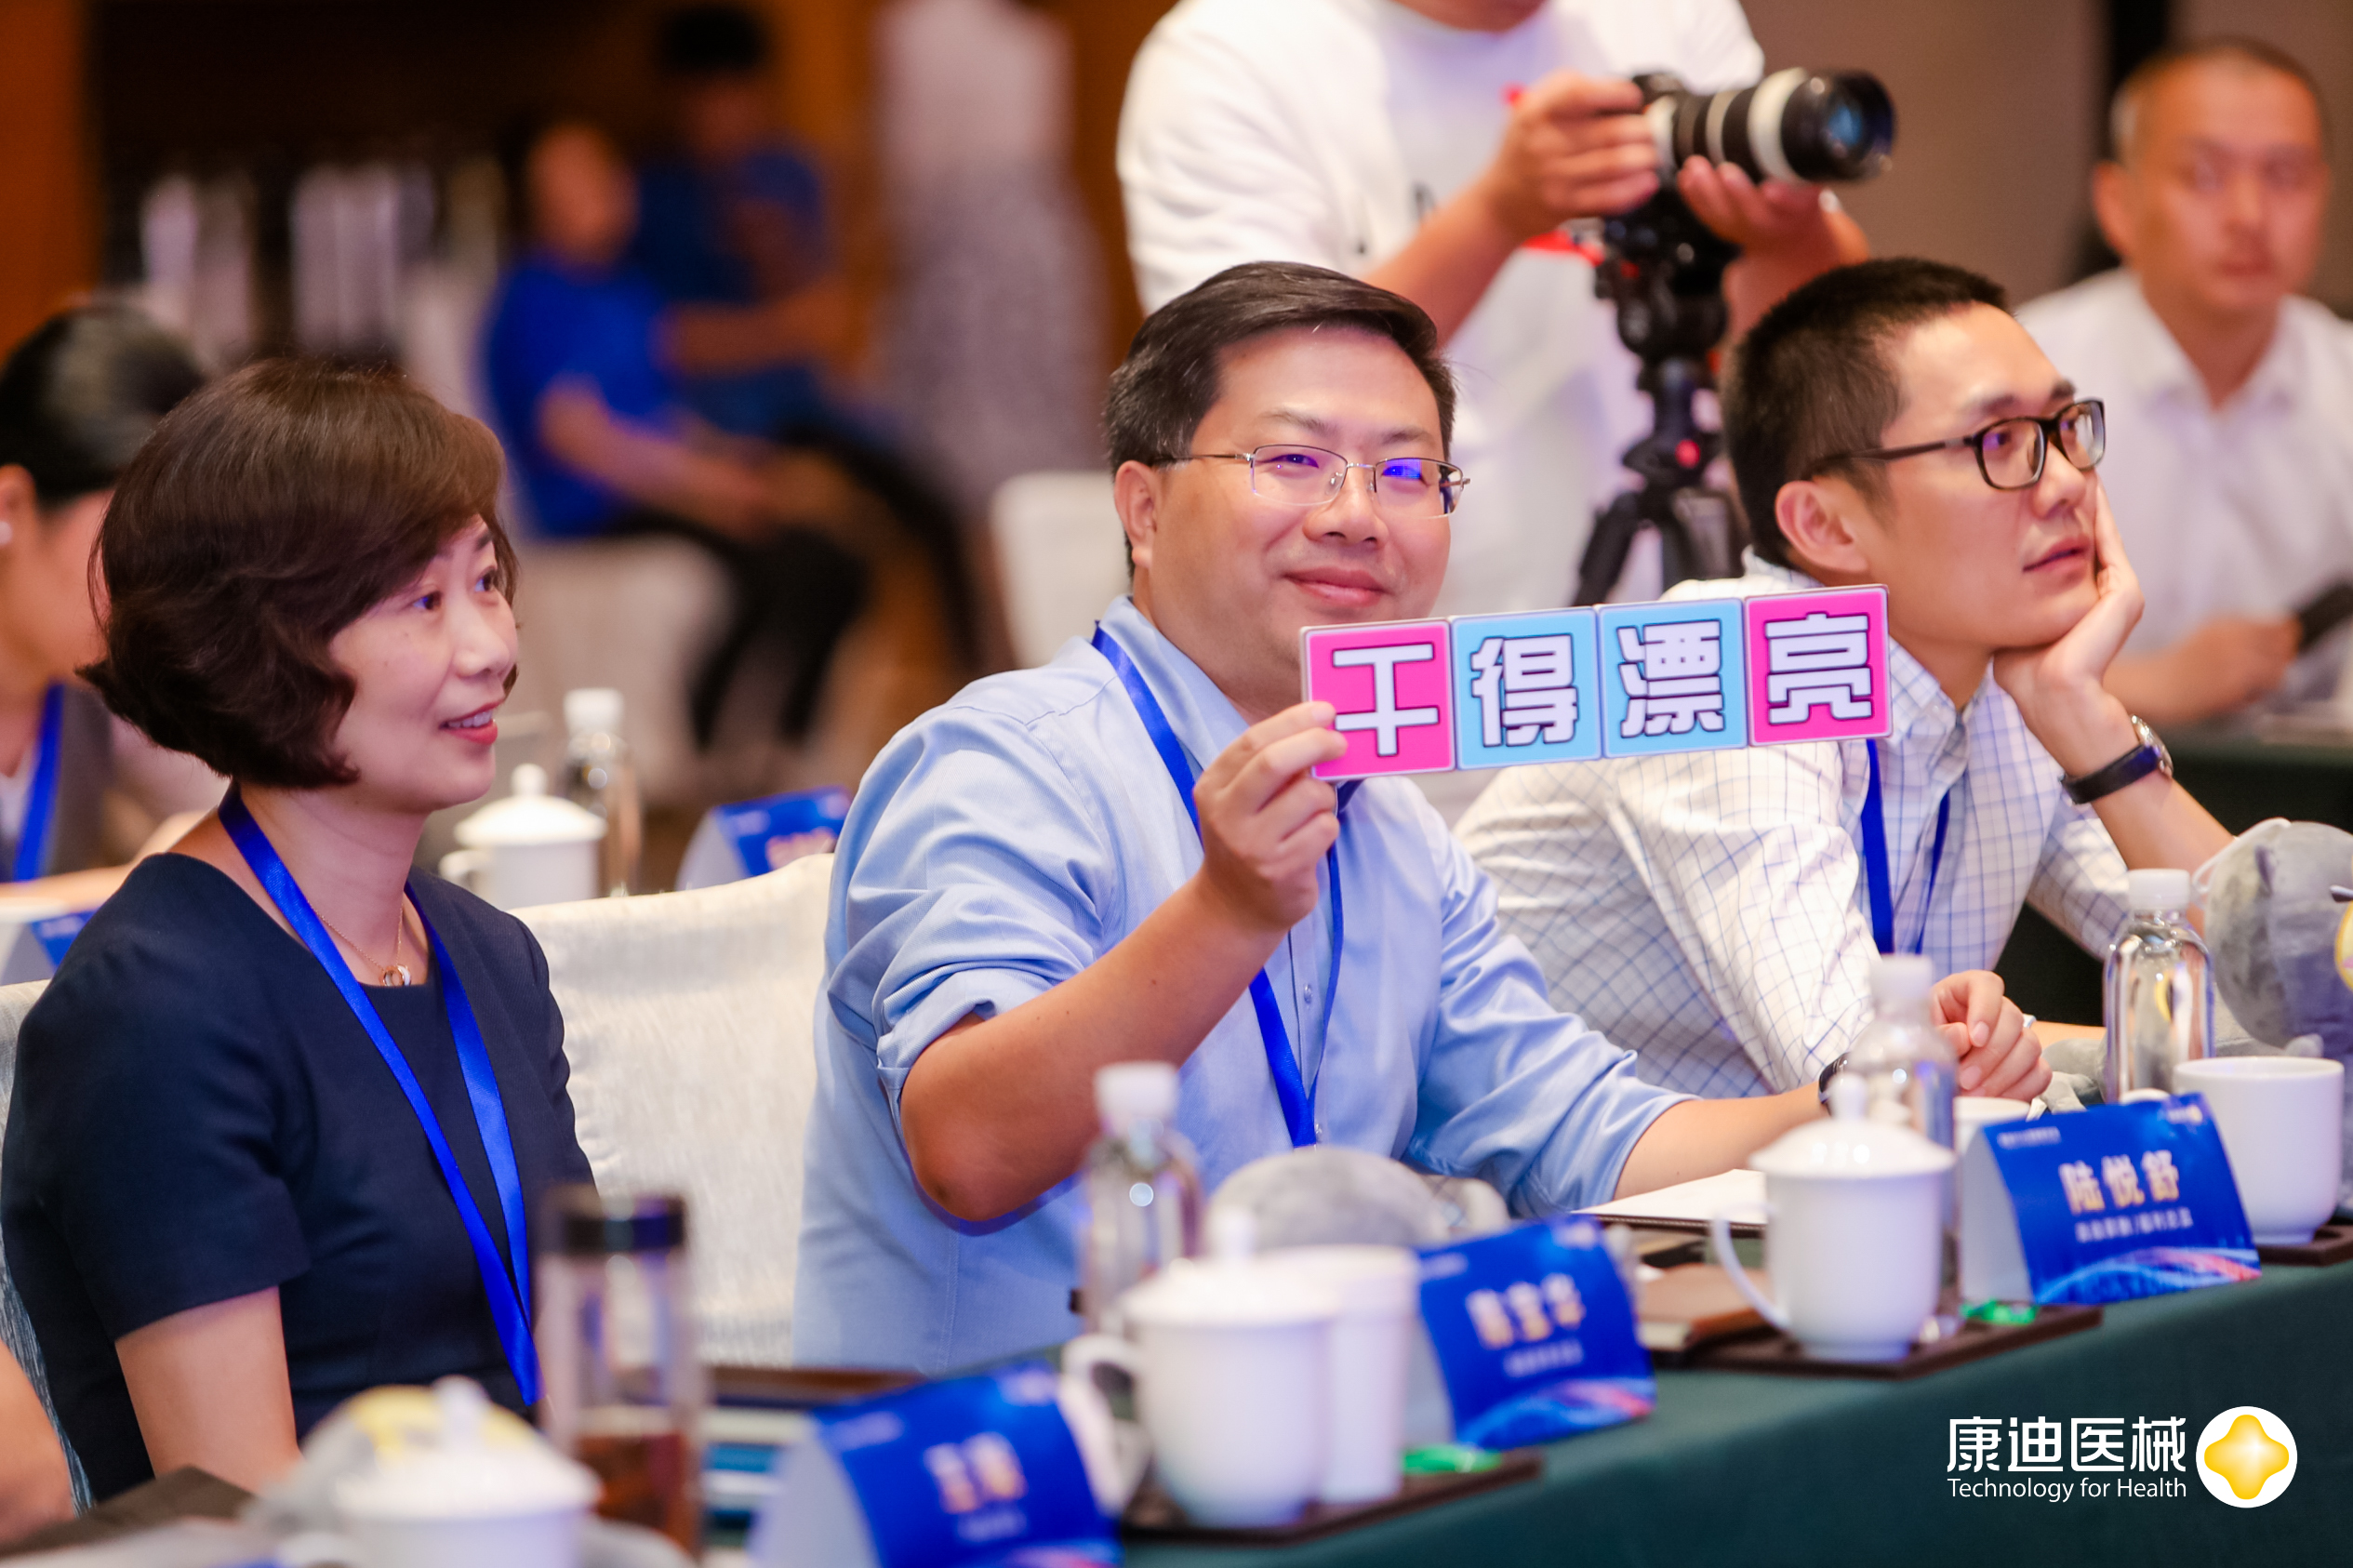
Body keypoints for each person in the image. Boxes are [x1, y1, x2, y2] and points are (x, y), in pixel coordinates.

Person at [792, 262, 2043, 1374]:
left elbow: (1580, 1131)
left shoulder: (1387, 822)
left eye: (1405, 473)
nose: (1356, 513)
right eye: (1293, 462)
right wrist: (1227, 910)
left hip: (1321, 1427)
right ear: (1143, 506)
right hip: (1023, 1468)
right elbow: (968, 1149)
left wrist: (1874, 1088)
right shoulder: (1001, 759)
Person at [3, 361, 593, 1500]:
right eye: (422, 601)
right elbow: (239, 1499)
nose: (490, 646)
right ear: (259, 645)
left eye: (485, 580)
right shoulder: (153, 1009)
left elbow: (585, 1365)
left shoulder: (491, 957)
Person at [1457, 259, 2233, 1100]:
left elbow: (2277, 987)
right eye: (1999, 442)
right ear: (1825, 524)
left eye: (2064, 427)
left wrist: (2090, 724)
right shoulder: (1723, 667)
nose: (2067, 485)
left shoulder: (2008, 682)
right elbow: (1865, 1076)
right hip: (1484, 1172)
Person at [1117, 0, 1868, 627]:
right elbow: (1249, 381)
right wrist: (1500, 212)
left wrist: (1787, 232)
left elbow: (1834, 357)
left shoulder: (1668, 15)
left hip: (1679, 607)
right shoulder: (1228, 55)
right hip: (1387, 635)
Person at [484, 120, 875, 749]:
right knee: (777, 572)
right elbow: (581, 439)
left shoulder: (624, 289)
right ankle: (707, 747)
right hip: (599, 509)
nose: (601, 190)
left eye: (602, 172)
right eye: (571, 180)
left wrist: (740, 459)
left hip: (665, 485)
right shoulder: (533, 298)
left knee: (839, 564)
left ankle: (784, 741)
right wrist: (708, 488)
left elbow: (663, 411)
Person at [2018, 38, 2348, 725]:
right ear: (2117, 203)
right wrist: (2147, 686)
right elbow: (1939, 649)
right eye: (2204, 175)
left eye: (2285, 176)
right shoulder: (2024, 374)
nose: (2250, 215)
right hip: (2064, 769)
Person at [0, 307, 214, 909]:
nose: (161, 582)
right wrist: (137, 886)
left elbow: (247, 819)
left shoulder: (101, 683)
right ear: (10, 507)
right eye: (130, 539)